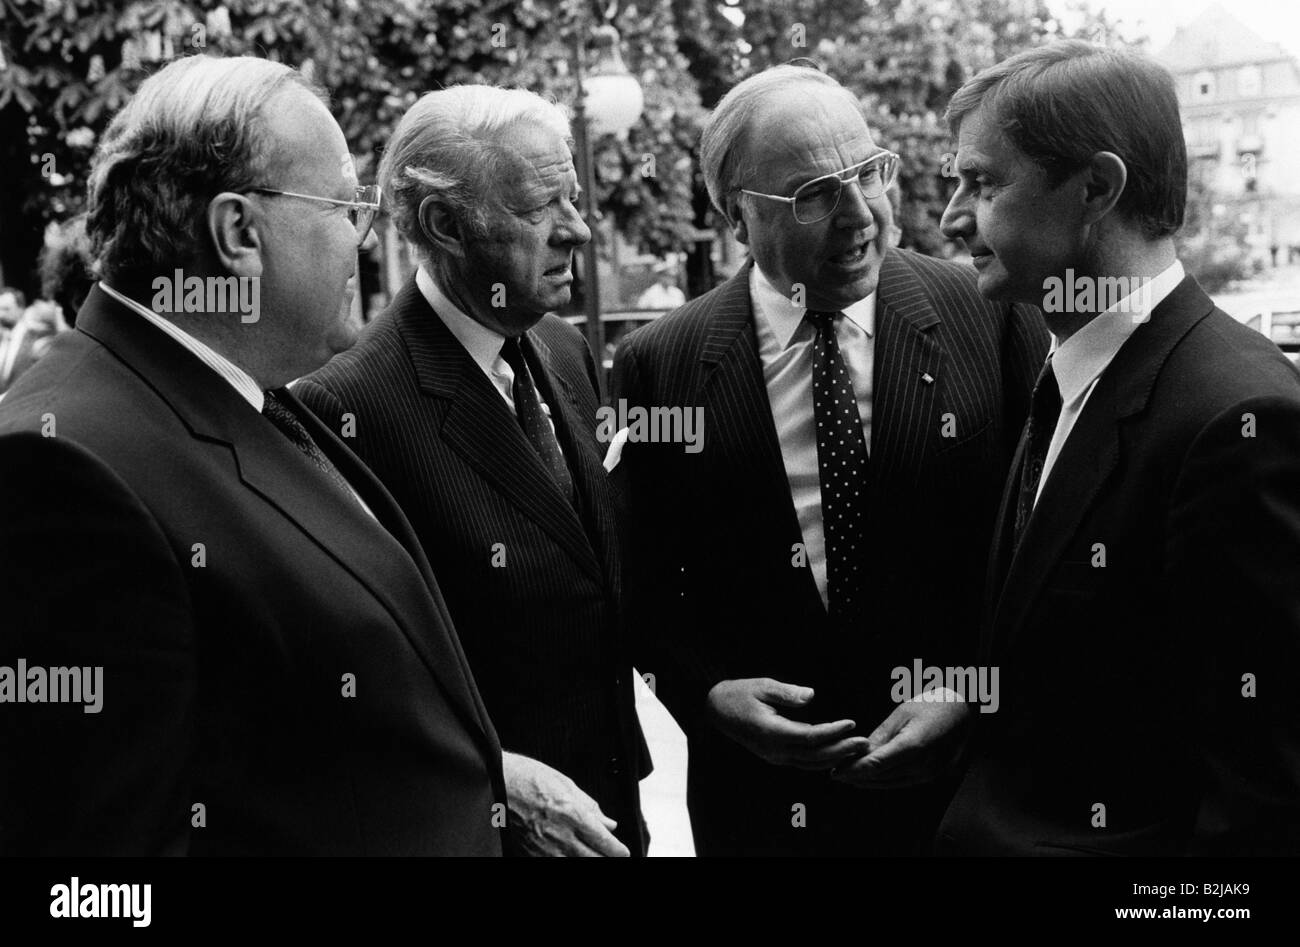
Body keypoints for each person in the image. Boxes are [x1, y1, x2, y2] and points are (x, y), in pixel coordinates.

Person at [0, 55, 505, 856]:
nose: (364, 241)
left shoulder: (242, 390)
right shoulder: (63, 468)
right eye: (345, 205)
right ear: (239, 232)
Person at [611, 64, 1048, 856]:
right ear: (738, 219)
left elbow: (1035, 541)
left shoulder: (987, 315)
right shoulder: (657, 364)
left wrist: (968, 689)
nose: (862, 215)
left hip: (959, 800)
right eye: (814, 193)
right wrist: (707, 691)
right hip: (762, 807)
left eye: (869, 173)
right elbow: (640, 580)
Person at [934, 41, 1300, 855]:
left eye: (984, 183)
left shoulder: (1240, 421)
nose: (954, 217)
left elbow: (1262, 802)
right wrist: (973, 698)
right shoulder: (1071, 368)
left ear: (1097, 187)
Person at [296, 85, 651, 857]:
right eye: (540, 209)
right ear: (443, 224)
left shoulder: (562, 348)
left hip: (612, 820)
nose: (580, 231)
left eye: (576, 199)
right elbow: (358, 685)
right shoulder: (342, 409)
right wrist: (496, 782)